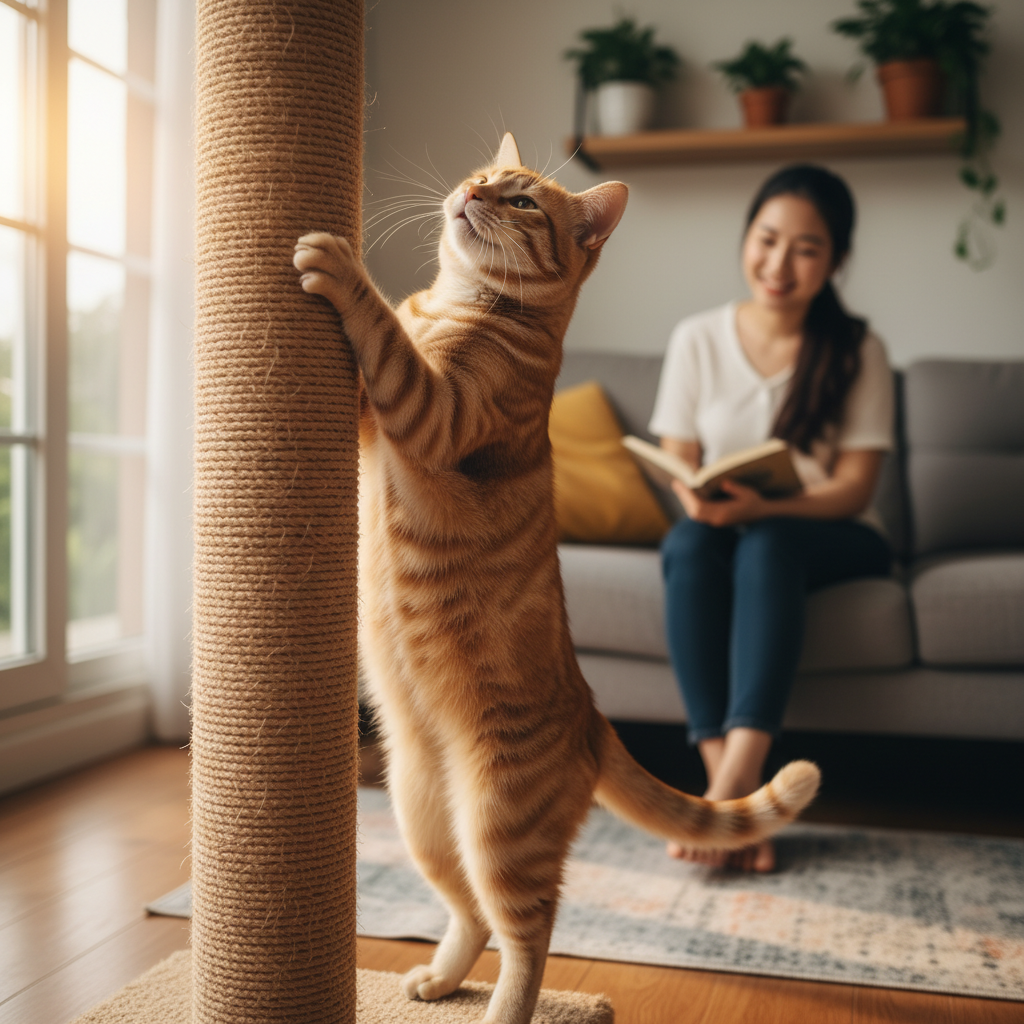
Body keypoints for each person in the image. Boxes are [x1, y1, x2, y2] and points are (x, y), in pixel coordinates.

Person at [649, 164, 894, 872]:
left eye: (807, 248)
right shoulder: (697, 336)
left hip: (832, 535)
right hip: (730, 525)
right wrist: (696, 497)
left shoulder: (857, 350)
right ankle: (747, 803)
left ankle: (723, 792)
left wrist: (769, 506)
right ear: (746, 238)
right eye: (767, 239)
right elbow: (678, 457)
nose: (779, 263)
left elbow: (854, 489)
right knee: (688, 543)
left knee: (772, 539)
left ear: (836, 261)